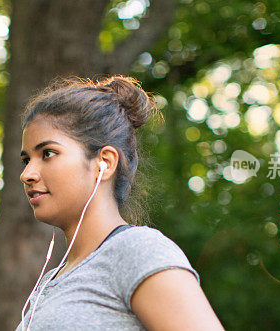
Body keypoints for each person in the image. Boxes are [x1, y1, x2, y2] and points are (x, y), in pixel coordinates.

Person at [15, 75, 224, 330]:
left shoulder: (137, 250)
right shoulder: (52, 280)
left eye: (48, 153)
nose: (27, 174)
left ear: (105, 162)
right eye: (27, 160)